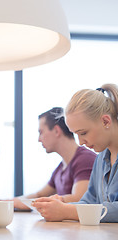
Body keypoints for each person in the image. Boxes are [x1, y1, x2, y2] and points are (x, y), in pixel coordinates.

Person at [33, 84, 118, 223]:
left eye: (83, 133)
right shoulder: (101, 159)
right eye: (76, 134)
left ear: (105, 121)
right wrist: (61, 206)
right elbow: (89, 201)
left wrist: (67, 211)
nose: (81, 142)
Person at [14, 107, 96, 210]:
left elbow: (79, 198)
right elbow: (39, 194)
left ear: (57, 131)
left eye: (41, 132)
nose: (39, 139)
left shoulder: (85, 159)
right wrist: (13, 201)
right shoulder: (60, 168)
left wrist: (34, 203)